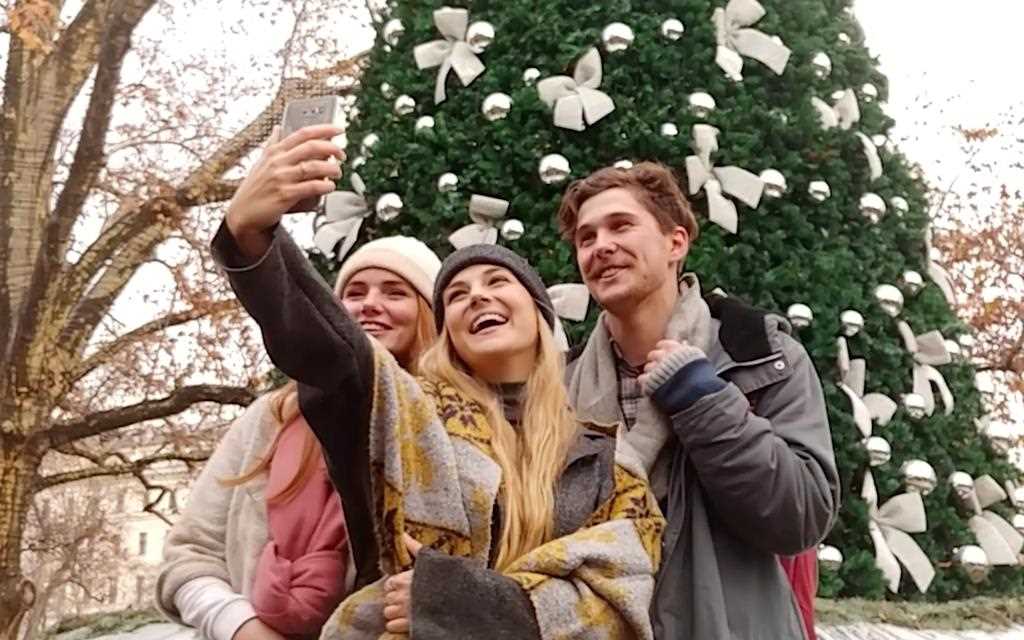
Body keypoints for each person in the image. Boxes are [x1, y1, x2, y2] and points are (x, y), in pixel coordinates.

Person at [210, 124, 664, 639]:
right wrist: (250, 237)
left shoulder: (607, 457)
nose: (477, 297)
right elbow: (331, 349)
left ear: (539, 317)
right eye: (457, 295)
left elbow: (621, 598)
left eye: (497, 282)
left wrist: (464, 603)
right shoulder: (400, 415)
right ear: (447, 335)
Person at [557, 162, 840, 640]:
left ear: (676, 243)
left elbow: (802, 515)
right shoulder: (559, 389)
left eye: (621, 225)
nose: (600, 245)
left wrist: (702, 400)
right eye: (586, 238)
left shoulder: (760, 357)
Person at [157, 230, 442, 638]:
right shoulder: (267, 420)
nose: (370, 305)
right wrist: (239, 626)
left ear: (429, 314)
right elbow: (189, 555)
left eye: (395, 292)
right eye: (355, 293)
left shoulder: (445, 430)